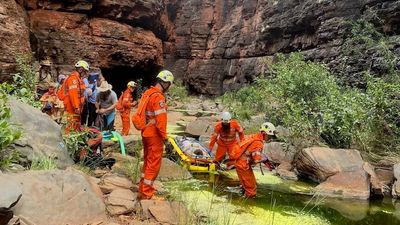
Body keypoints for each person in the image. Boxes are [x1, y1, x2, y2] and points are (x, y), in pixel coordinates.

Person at [138, 70, 174, 200]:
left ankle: (142, 188)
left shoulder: (148, 93)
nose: (169, 86)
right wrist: (165, 138)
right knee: (153, 164)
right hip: (154, 135)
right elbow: (161, 122)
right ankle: (147, 193)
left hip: (146, 132)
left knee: (147, 161)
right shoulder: (158, 97)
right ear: (165, 83)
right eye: (169, 84)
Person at [233, 122, 276, 198]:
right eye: (269, 136)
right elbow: (256, 159)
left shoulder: (253, 136)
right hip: (243, 166)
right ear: (264, 133)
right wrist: (264, 160)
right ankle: (244, 206)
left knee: (250, 185)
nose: (270, 139)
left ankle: (241, 194)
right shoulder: (258, 143)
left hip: (240, 163)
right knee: (251, 191)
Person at [61, 60, 89, 133]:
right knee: (71, 125)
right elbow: (73, 94)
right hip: (72, 108)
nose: (85, 74)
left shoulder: (78, 79)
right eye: (85, 71)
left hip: (75, 108)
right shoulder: (73, 79)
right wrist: (76, 107)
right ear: (81, 69)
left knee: (75, 125)